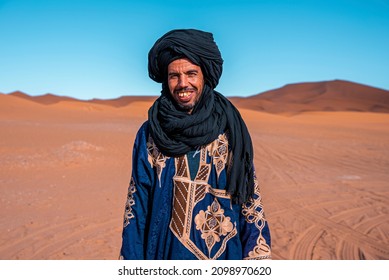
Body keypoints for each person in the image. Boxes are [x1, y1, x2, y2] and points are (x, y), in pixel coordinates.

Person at [120, 29, 271, 260]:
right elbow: (136, 206)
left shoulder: (231, 130)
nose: (183, 84)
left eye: (191, 73)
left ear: (204, 77)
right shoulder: (151, 132)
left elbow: (249, 202)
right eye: (174, 76)